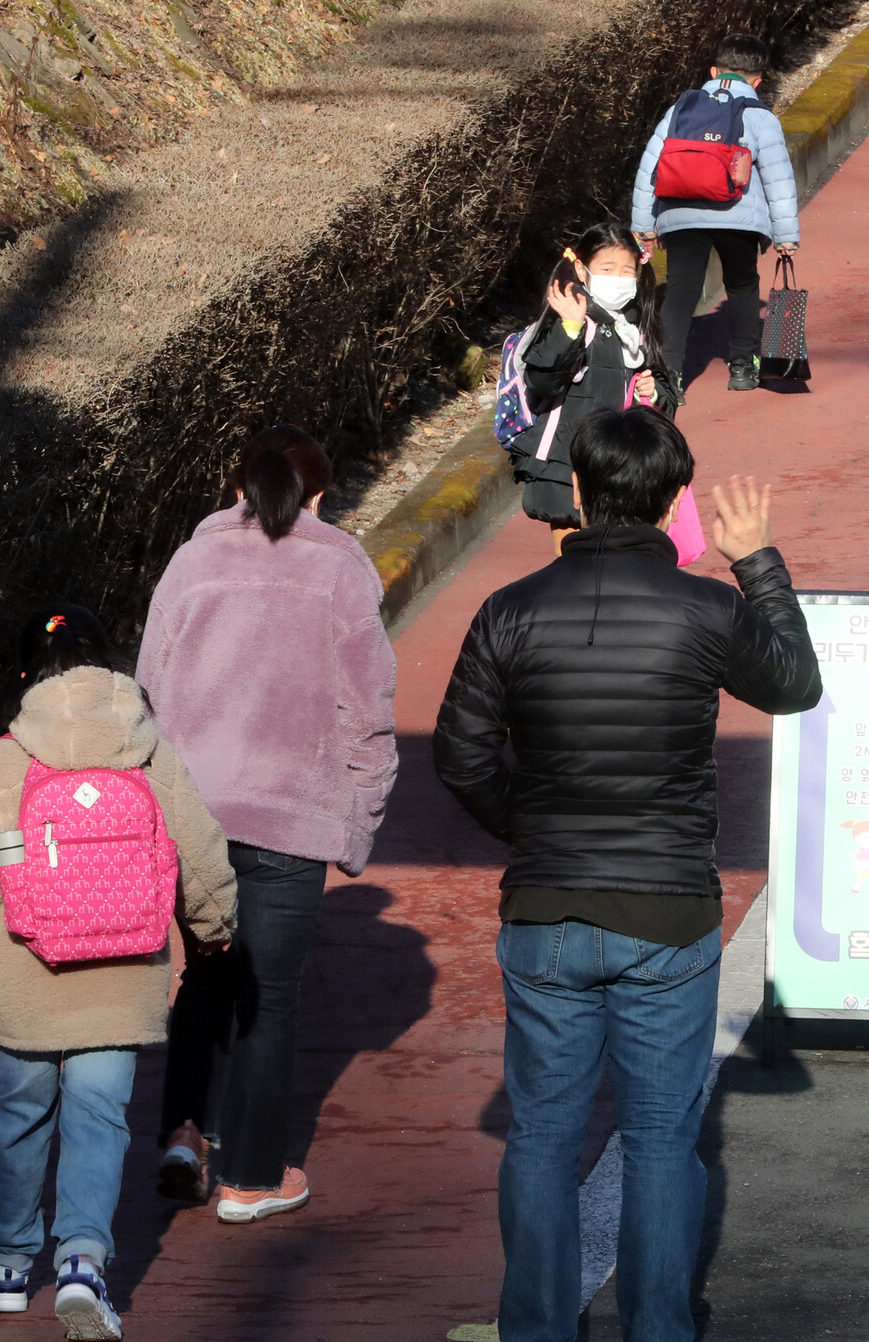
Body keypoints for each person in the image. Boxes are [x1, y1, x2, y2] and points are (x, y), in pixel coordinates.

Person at [433, 407, 821, 1342]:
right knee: (660, 1142)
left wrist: (529, 829)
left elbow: (460, 753)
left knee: (541, 1138)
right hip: (668, 908)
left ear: (580, 490)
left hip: (547, 906)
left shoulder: (510, 611)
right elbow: (794, 684)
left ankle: (535, 1328)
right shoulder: (706, 608)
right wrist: (755, 560)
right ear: (674, 497)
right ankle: (659, 1327)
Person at [0, 604, 238, 1342]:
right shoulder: (149, 753)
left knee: (18, 1117)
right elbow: (198, 853)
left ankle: (6, 1266)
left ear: (31, 676)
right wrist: (216, 927)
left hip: (23, 978)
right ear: (111, 668)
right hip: (122, 977)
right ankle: (83, 1263)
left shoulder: (2, 761)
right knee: (100, 1119)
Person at [136, 423, 397, 1221]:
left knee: (205, 977)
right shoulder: (342, 572)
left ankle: (183, 1134)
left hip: (195, 813)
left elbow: (148, 689)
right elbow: (369, 712)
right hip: (294, 815)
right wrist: (359, 822)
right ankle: (253, 1177)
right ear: (320, 494)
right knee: (271, 998)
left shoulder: (191, 562)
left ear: (237, 483)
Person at [631, 32, 800, 399]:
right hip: (738, 217)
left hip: (681, 214)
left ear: (713, 70)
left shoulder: (681, 109)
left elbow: (650, 167)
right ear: (758, 80)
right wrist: (786, 234)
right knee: (741, 286)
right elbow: (778, 176)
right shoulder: (759, 115)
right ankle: (742, 367)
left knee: (680, 293)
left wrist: (644, 225)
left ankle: (669, 376)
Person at [503, 222, 676, 554]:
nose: (619, 278)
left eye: (627, 270)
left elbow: (665, 392)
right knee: (575, 567)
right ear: (582, 270)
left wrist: (653, 393)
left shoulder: (635, 324)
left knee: (620, 570)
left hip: (623, 468)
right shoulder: (569, 317)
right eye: (607, 269)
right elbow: (542, 381)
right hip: (569, 468)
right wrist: (569, 326)